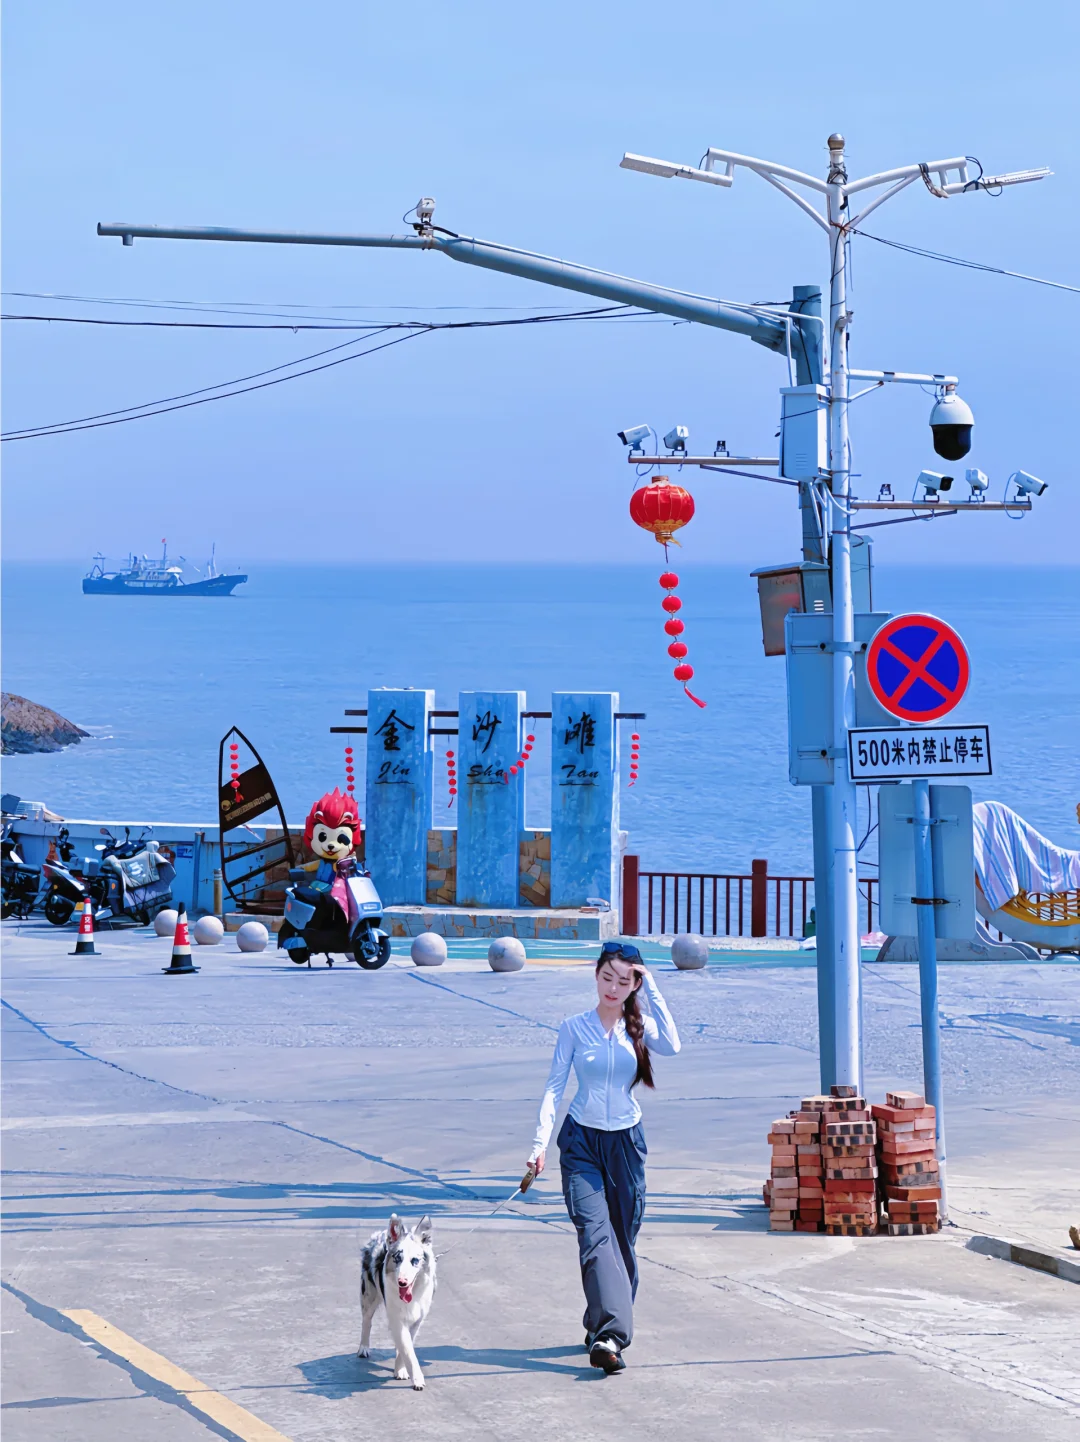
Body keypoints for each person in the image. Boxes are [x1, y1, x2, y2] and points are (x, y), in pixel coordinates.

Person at [526, 940, 681, 1374]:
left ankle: (599, 1322)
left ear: (634, 984)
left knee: (622, 1240)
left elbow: (673, 1045)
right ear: (596, 976)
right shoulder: (574, 1027)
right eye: (607, 977)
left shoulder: (641, 1026)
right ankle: (612, 1334)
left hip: (626, 1144)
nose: (613, 988)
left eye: (624, 980)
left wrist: (651, 990)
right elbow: (554, 1087)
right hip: (581, 1143)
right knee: (594, 1234)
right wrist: (539, 1146)